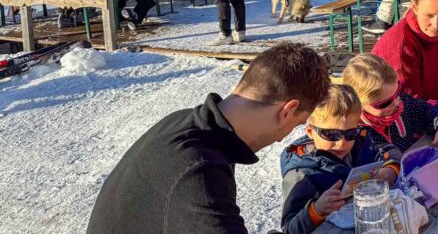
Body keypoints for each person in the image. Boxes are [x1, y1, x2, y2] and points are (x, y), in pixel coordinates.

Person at [87, 43, 331, 234]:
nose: (281, 140)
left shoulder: (187, 124)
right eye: (297, 123)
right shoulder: (198, 169)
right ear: (287, 111)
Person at [279, 85, 400, 234]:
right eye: (331, 134)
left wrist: (390, 169)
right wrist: (317, 210)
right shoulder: (301, 174)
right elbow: (289, 229)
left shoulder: (359, 143)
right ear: (310, 131)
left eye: (350, 133)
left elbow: (388, 150)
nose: (341, 142)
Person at [341, 54, 438, 154]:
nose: (396, 102)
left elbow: (428, 108)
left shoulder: (403, 106)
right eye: (385, 103)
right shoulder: (351, 134)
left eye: (397, 92)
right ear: (359, 104)